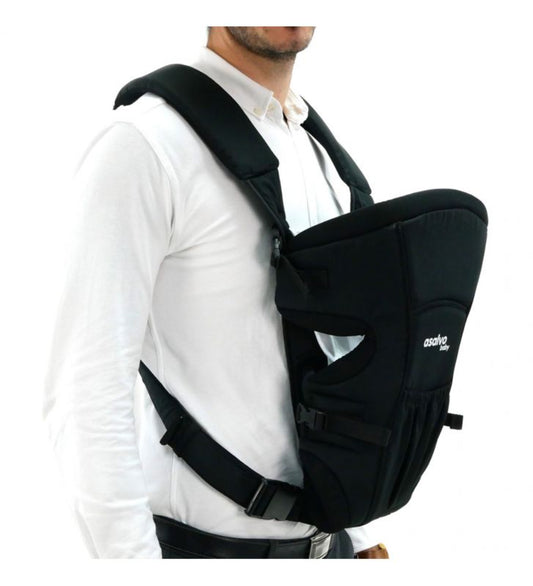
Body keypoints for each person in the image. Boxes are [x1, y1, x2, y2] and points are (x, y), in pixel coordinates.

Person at [43, 26, 389, 559]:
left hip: (332, 545)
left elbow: (338, 357)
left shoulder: (319, 152)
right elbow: (85, 391)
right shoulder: (146, 143)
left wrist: (361, 536)